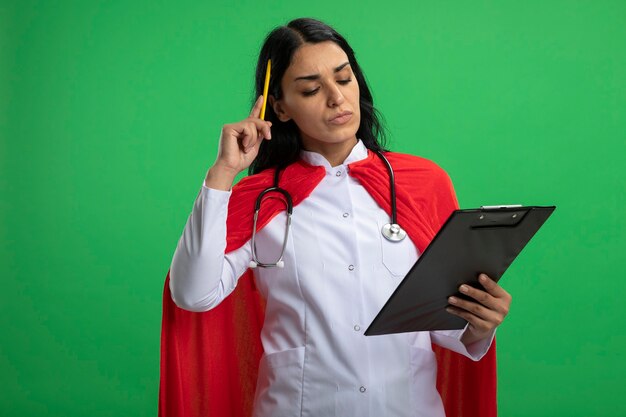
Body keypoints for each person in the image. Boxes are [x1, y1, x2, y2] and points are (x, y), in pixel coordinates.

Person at [160, 17, 511, 417]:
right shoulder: (260, 199)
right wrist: (223, 173)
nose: (335, 98)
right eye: (311, 88)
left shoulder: (423, 184)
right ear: (279, 107)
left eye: (343, 79)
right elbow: (192, 293)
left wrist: (480, 322)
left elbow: (442, 321)